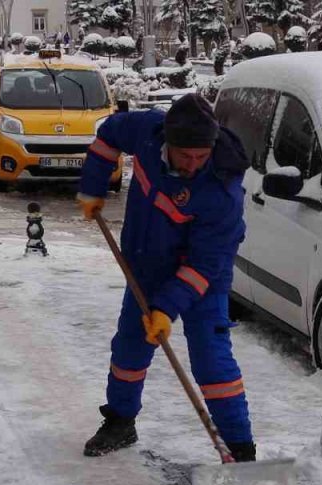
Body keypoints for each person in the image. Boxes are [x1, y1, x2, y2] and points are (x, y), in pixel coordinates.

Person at [77, 94, 256, 462]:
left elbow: (204, 264)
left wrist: (165, 308)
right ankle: (120, 421)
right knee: (129, 347)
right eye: (185, 155)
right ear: (167, 143)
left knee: (211, 358)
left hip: (202, 278)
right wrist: (92, 187)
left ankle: (239, 449)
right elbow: (109, 134)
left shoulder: (222, 191)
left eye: (201, 156)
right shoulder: (147, 131)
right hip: (146, 266)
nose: (193, 164)